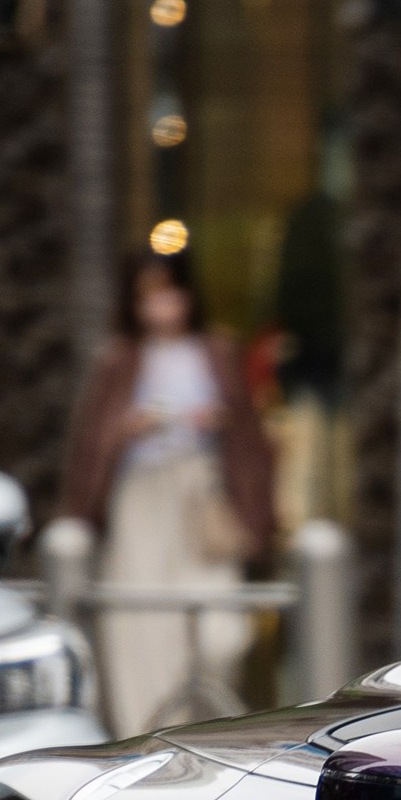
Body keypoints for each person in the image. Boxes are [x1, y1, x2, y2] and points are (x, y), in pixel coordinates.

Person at [61, 251, 276, 735]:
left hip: (204, 499)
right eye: (148, 295)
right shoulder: (119, 359)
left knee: (221, 625)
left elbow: (250, 439)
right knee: (139, 619)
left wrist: (217, 422)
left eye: (170, 292)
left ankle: (206, 727)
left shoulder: (217, 351)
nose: (162, 306)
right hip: (138, 498)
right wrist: (129, 429)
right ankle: (146, 732)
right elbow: (92, 441)